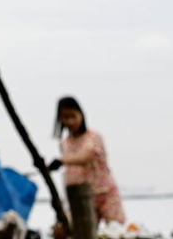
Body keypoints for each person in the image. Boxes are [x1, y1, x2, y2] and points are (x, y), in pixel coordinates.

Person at [52, 96, 125, 227]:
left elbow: (86, 156)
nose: (70, 121)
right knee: (79, 233)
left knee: (116, 230)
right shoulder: (64, 143)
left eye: (73, 116)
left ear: (81, 115)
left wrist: (62, 161)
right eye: (65, 117)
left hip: (105, 193)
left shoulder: (93, 137)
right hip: (81, 198)